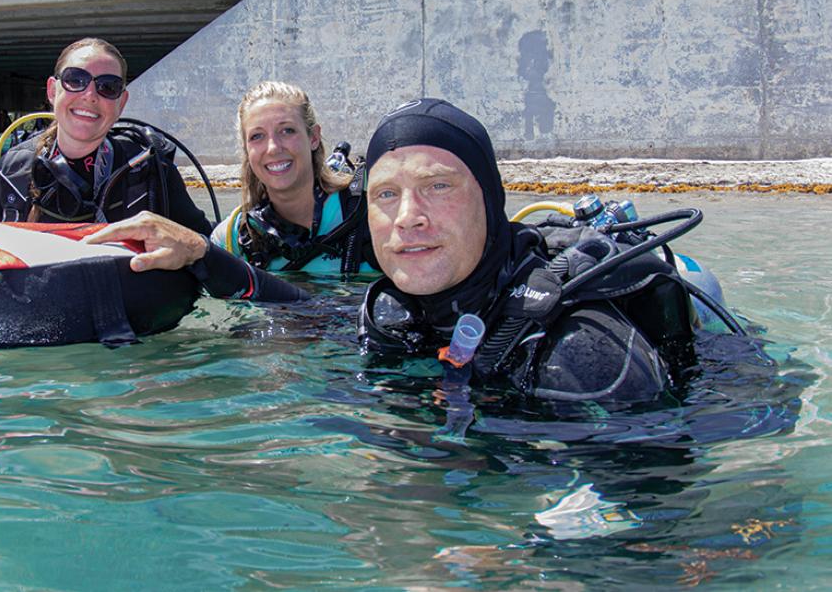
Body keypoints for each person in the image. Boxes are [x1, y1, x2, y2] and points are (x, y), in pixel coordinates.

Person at [357, 98, 702, 404]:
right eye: (386, 194)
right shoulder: (389, 317)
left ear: (490, 200)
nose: (406, 218)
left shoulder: (576, 352)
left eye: (438, 185)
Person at [0, 37, 211, 233]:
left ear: (122, 103)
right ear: (52, 91)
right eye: (75, 80)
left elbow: (207, 247)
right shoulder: (10, 172)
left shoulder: (150, 172)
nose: (90, 94)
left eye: (108, 86)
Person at [209, 82, 372, 275]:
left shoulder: (368, 208)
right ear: (247, 150)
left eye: (287, 130)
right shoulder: (231, 239)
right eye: (257, 136)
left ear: (313, 138)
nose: (273, 148)